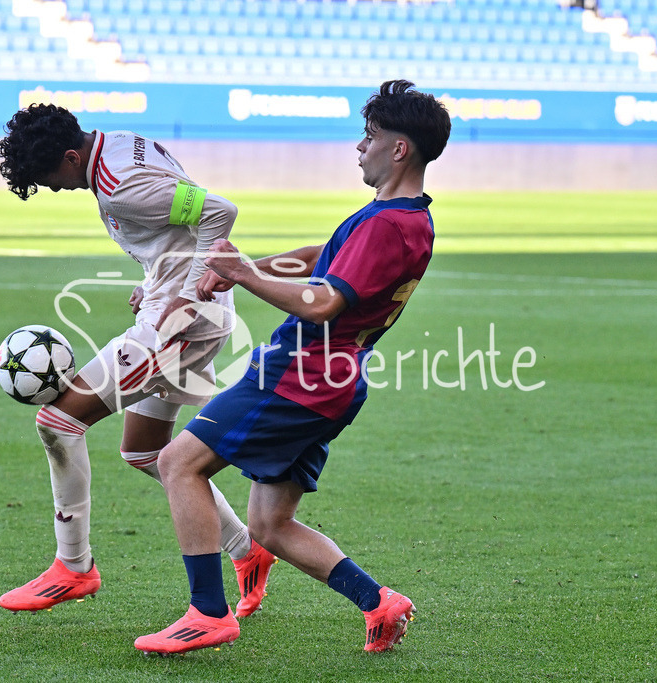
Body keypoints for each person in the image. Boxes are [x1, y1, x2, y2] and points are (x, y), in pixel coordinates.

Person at [134, 80, 451, 655]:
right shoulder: (402, 217)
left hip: (299, 373)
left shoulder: (387, 225)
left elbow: (326, 299)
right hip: (335, 380)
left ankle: (207, 613)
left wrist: (247, 276)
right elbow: (319, 260)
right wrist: (241, 265)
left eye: (372, 136)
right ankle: (379, 604)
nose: (360, 146)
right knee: (270, 526)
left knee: (178, 462)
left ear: (400, 149)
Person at [0, 103, 275, 617]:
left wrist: (184, 297)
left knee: (58, 421)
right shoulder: (120, 142)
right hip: (184, 313)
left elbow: (219, 211)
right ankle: (247, 550)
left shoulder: (121, 184)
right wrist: (154, 283)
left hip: (180, 327)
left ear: (72, 155)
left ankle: (73, 567)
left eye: (49, 177)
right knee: (146, 452)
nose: (52, 189)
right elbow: (180, 230)